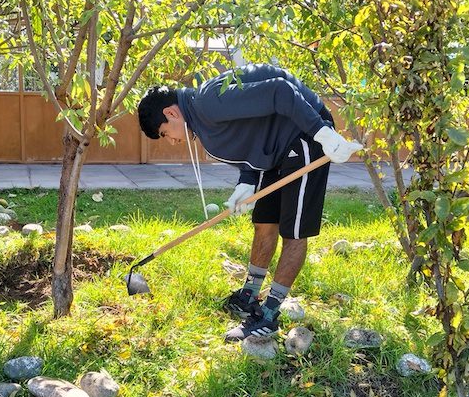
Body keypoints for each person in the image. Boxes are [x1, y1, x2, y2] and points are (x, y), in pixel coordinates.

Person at [137, 64, 362, 342]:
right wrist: (247, 180)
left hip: (304, 134)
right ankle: (250, 295)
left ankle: (268, 314)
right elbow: (252, 131)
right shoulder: (201, 116)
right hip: (277, 147)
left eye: (164, 133)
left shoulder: (208, 101)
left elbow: (280, 91)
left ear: (171, 113)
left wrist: (322, 133)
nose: (171, 141)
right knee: (264, 222)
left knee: (293, 232)